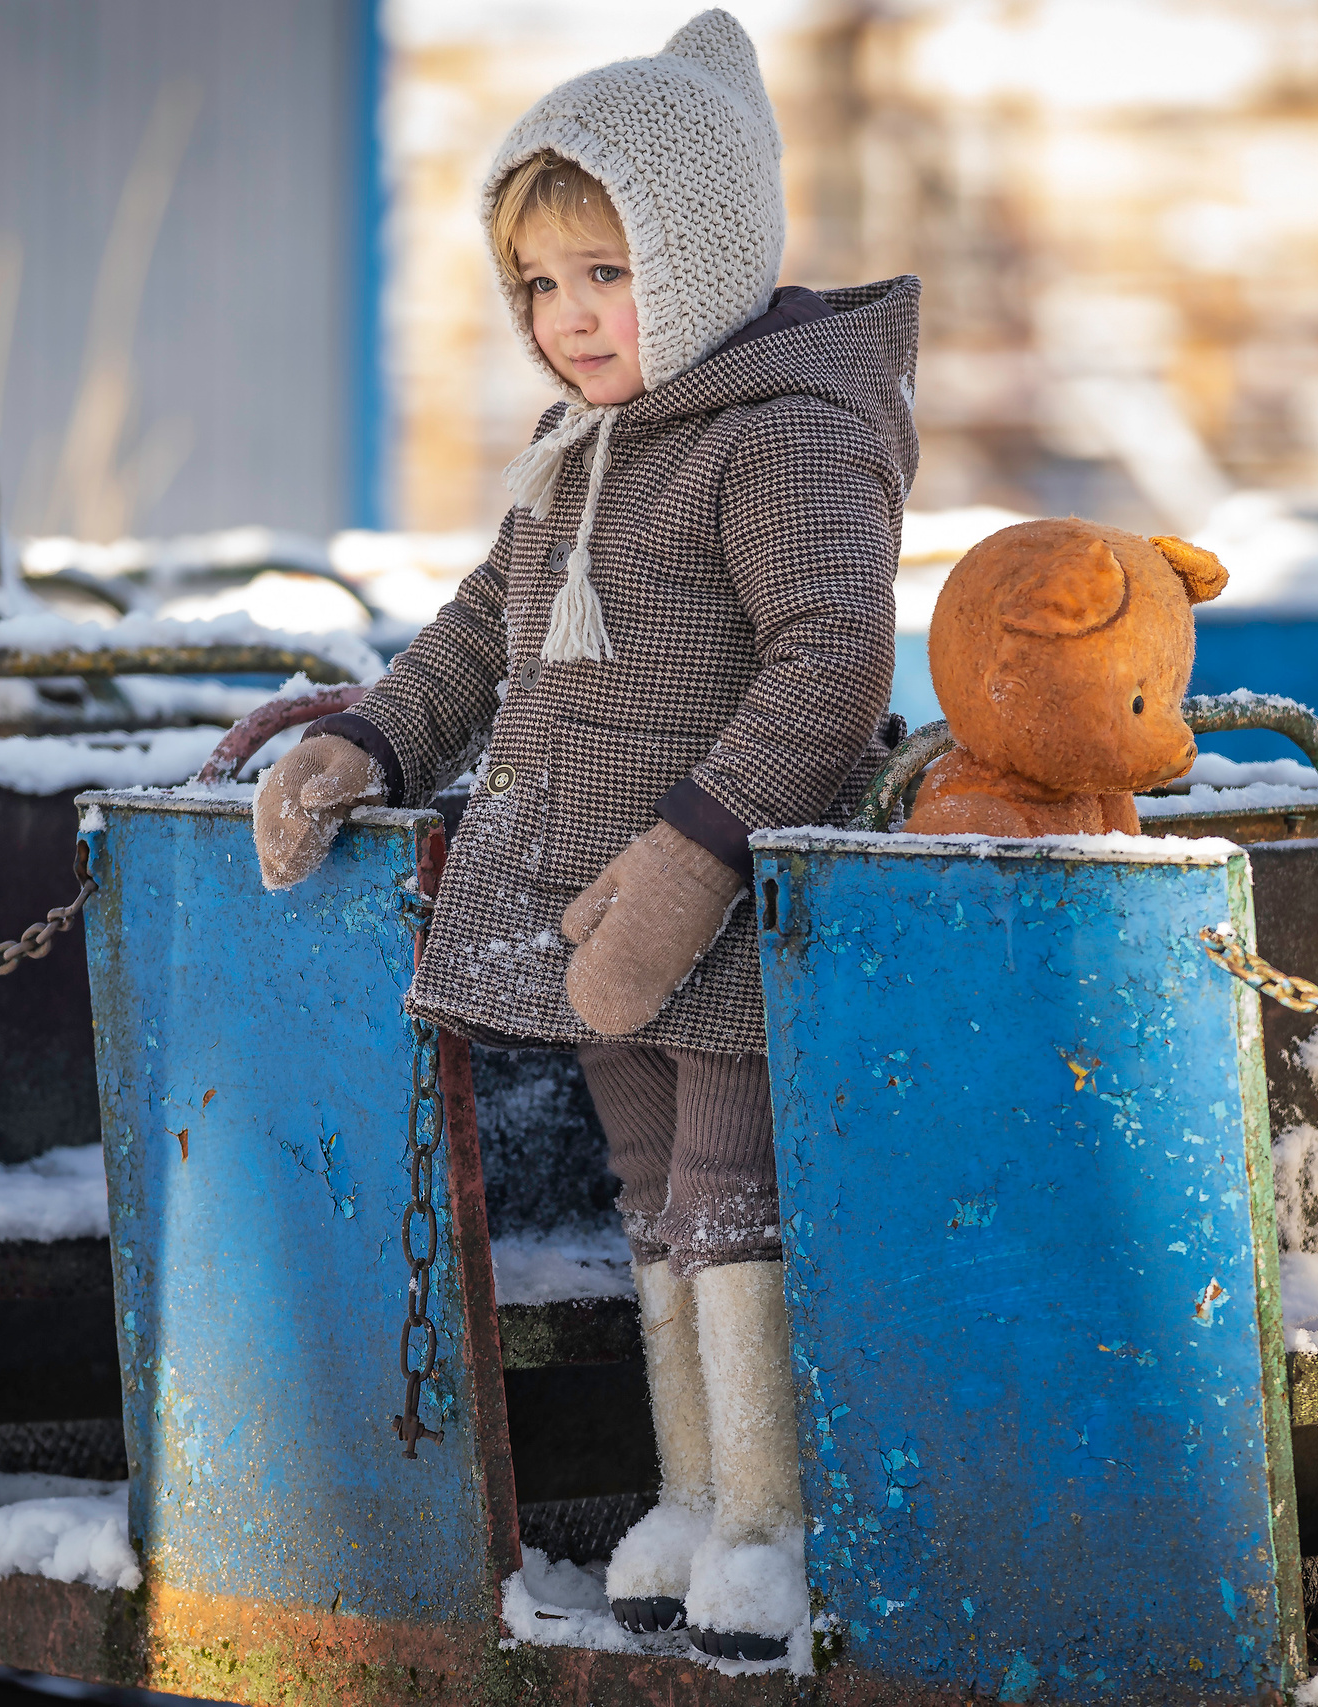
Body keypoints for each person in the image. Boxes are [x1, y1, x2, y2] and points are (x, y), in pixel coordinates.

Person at [248, 9, 916, 1663]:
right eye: (539, 285)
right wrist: (364, 739)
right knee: (650, 1198)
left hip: (725, 910)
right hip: (582, 918)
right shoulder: (585, 452)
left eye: (605, 274)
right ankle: (693, 1500)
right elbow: (484, 633)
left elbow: (830, 666)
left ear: (696, 260)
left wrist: (692, 859)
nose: (568, 319)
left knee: (733, 1191)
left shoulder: (791, 431)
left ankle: (769, 1520)